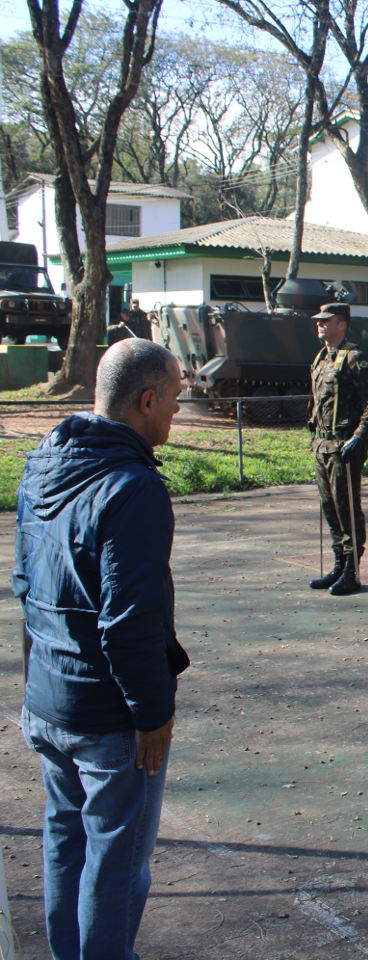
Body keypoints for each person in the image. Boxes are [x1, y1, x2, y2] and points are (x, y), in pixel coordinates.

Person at [14, 339, 189, 960]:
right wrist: (152, 713)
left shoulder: (43, 461)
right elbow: (131, 620)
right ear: (146, 401)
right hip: (108, 714)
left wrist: (34, 682)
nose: (176, 412)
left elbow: (25, 584)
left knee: (66, 840)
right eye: (174, 399)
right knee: (117, 862)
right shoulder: (133, 487)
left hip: (48, 699)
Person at [307, 302, 368, 596]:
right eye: (319, 321)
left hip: (343, 445)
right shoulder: (321, 359)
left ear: (342, 324)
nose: (320, 325)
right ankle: (339, 564)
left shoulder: (353, 358)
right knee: (330, 508)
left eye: (326, 321)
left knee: (346, 508)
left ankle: (352, 570)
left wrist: (360, 437)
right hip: (322, 444)